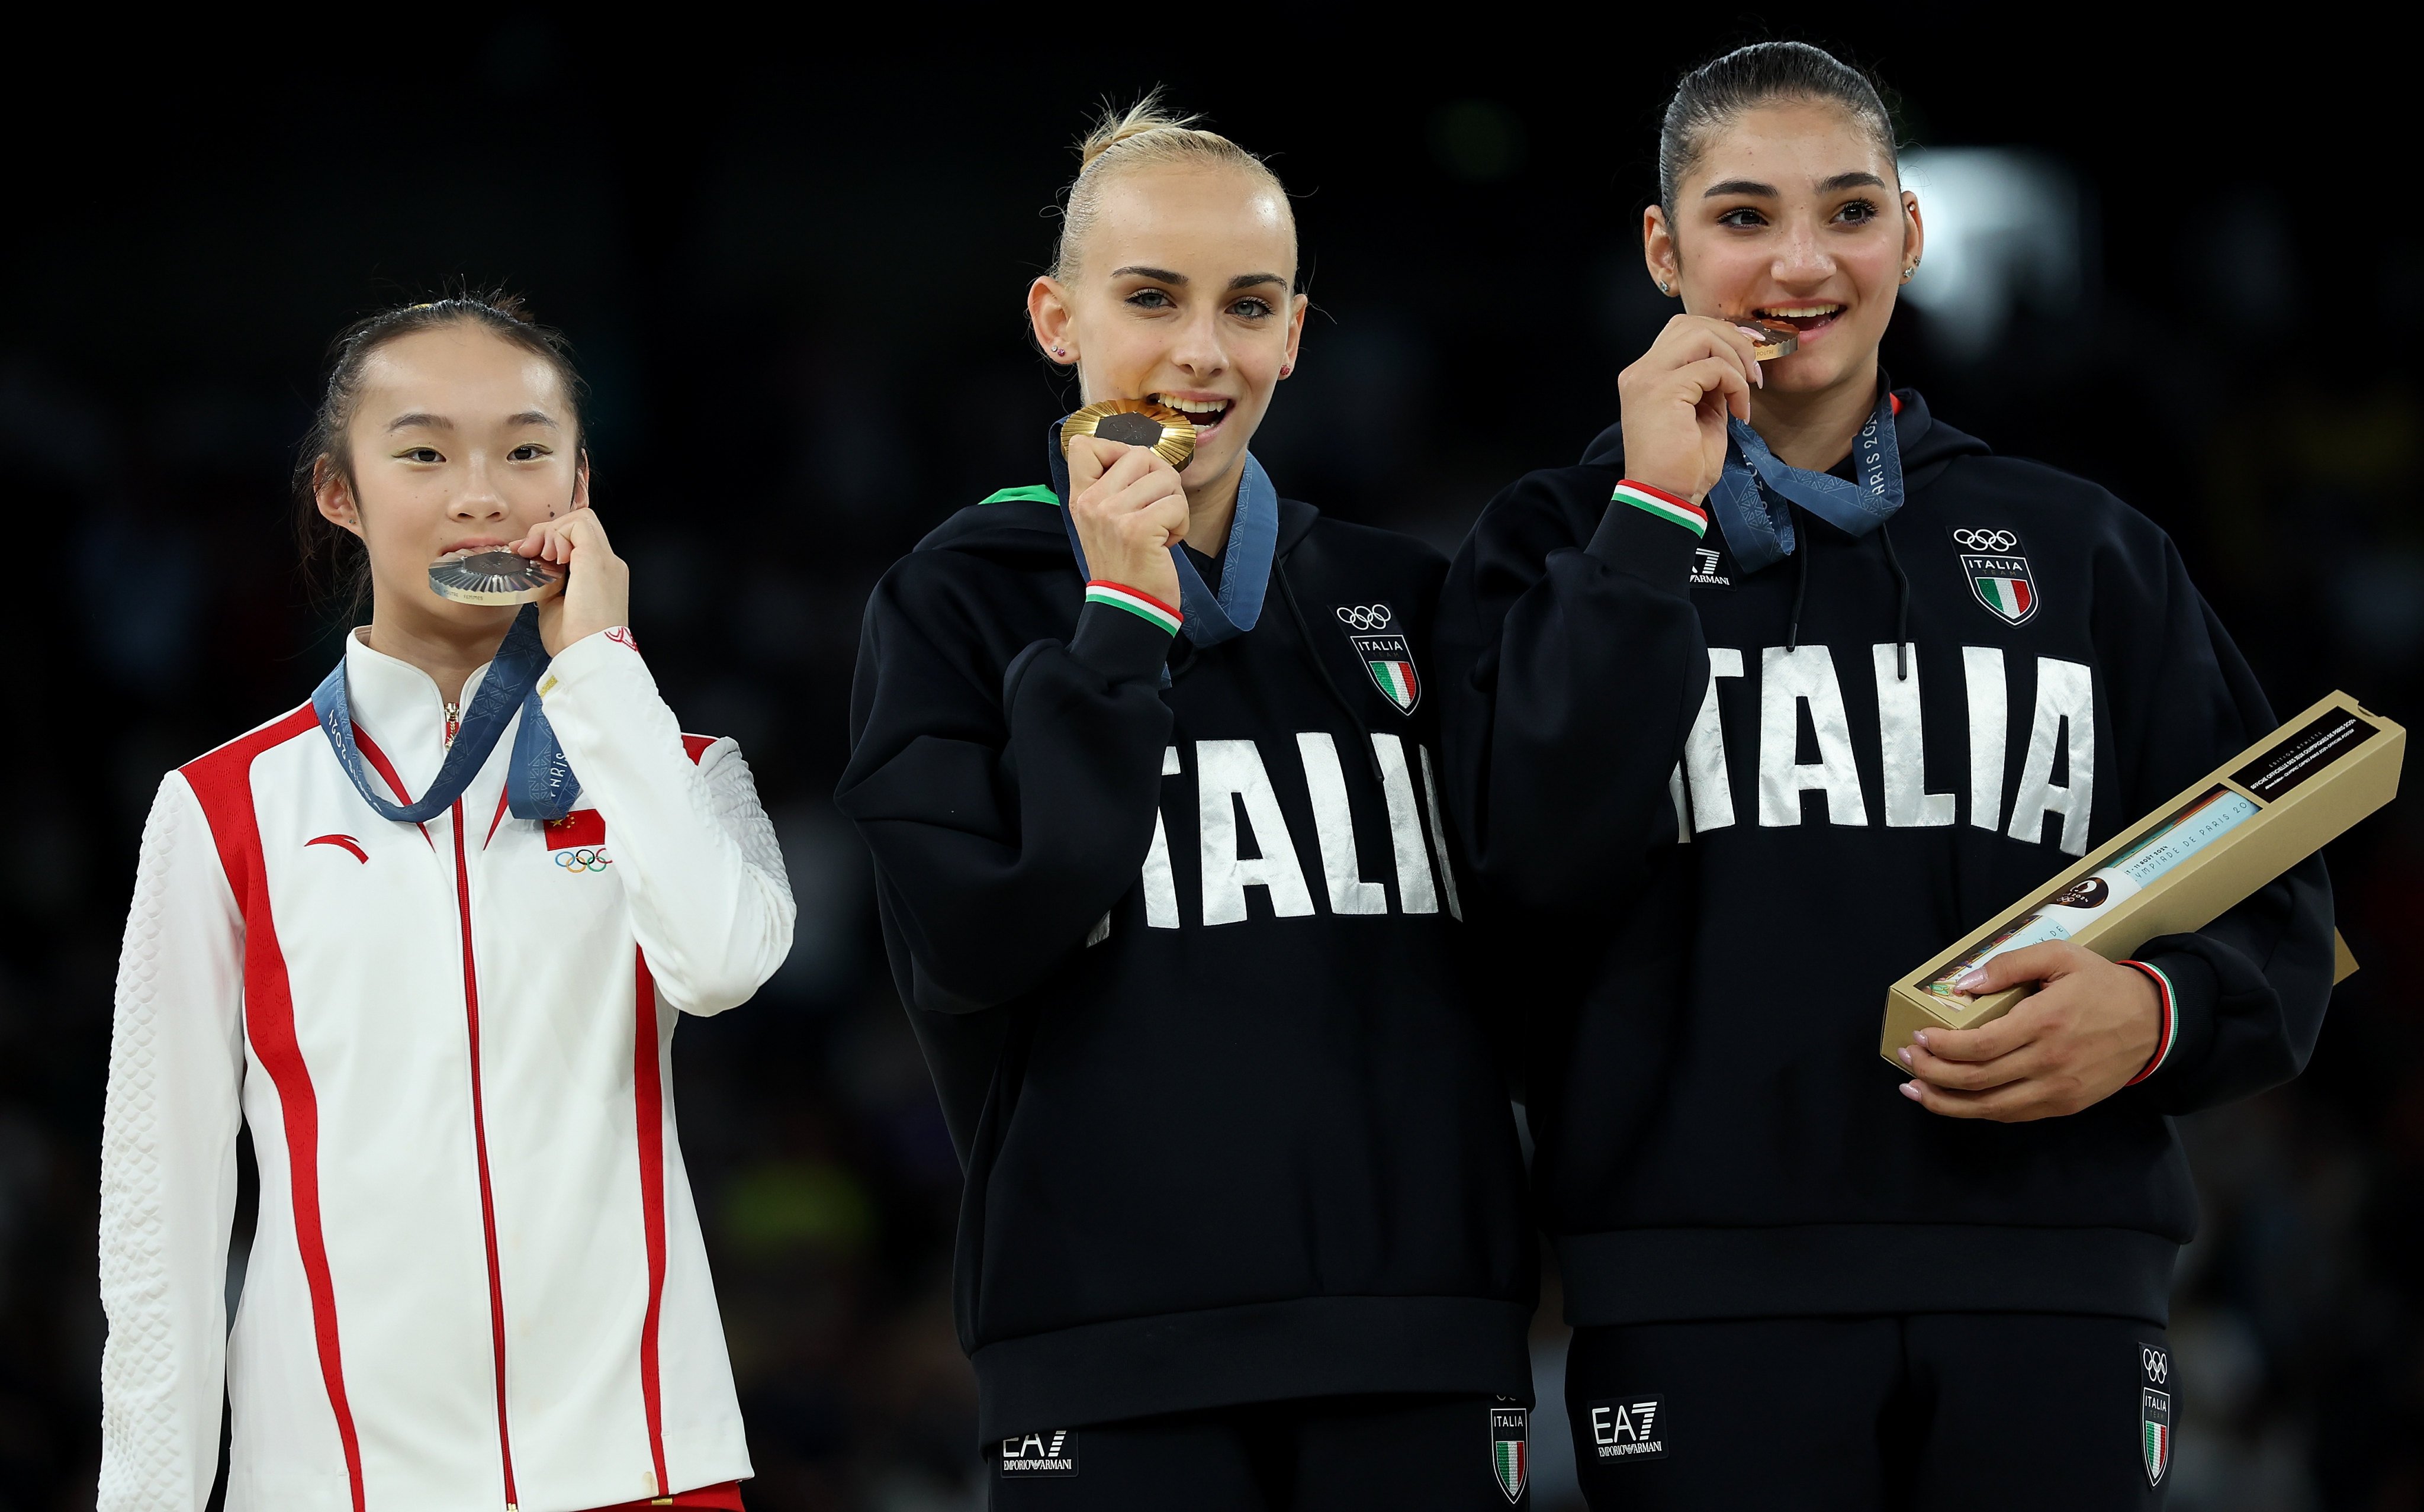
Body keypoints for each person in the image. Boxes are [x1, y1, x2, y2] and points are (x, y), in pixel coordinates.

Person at [1439, 41, 2334, 1511]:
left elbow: (2274, 888)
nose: (1802, 263)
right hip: (1700, 1289)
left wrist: (2161, 1010)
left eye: (1849, 212)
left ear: (1909, 238)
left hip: (2055, 1282)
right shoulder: (1549, 541)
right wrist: (1651, 515)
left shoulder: (2089, 549)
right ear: (1664, 248)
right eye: (1742, 218)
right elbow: (1519, 864)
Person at [838, 97, 1535, 1510]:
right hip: (1104, 1347)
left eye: (1250, 305)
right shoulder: (954, 601)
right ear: (1057, 317)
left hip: (1419, 1336)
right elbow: (974, 944)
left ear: (1294, 331)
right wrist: (1113, 625)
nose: (1202, 352)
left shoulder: (1410, 598)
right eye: (1151, 297)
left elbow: (1536, 928)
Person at [97, 295, 794, 1511]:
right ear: (339, 494)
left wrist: (600, 672)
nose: (481, 494)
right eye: (421, 452)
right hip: (337, 1483)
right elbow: (160, 1220)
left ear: (580, 482)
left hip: (645, 1468)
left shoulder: (677, 772)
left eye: (526, 451)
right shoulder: (221, 809)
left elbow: (725, 962)